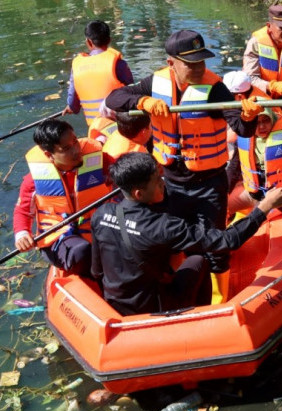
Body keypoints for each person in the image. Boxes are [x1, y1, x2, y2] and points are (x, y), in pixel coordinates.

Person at [105, 29, 264, 274]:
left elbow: (242, 128)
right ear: (171, 63)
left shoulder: (216, 89)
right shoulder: (155, 83)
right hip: (170, 183)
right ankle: (187, 283)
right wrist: (142, 101)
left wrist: (248, 116)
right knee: (177, 241)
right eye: (191, 63)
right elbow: (115, 97)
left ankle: (218, 292)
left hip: (209, 184)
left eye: (201, 61)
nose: (199, 68)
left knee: (215, 247)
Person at [91, 152, 282, 316]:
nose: (163, 183)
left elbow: (97, 271)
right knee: (199, 260)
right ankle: (198, 316)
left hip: (116, 303)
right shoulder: (162, 226)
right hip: (150, 308)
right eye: (156, 181)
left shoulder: (101, 214)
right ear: (138, 194)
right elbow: (228, 240)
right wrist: (263, 208)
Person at [13, 119, 110, 276]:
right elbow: (23, 211)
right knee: (82, 252)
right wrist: (22, 234)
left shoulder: (99, 160)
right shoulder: (33, 181)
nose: (76, 150)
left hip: (97, 227)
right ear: (48, 154)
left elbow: (122, 170)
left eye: (75, 142)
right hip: (59, 238)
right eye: (66, 148)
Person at [229, 106, 282, 217]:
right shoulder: (244, 136)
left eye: (266, 120)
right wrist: (224, 190)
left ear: (272, 118)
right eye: (257, 122)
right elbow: (234, 169)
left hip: (280, 197)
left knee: (258, 215)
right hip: (253, 194)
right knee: (222, 206)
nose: (262, 126)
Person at [63, 20, 134, 127]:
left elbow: (73, 104)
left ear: (88, 42)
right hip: (121, 125)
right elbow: (133, 92)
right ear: (109, 40)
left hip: (96, 128)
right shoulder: (119, 64)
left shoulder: (77, 66)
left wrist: (71, 107)